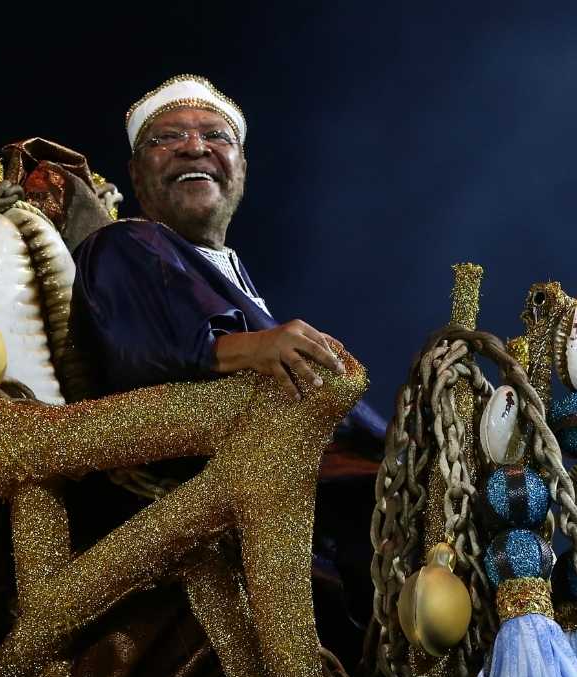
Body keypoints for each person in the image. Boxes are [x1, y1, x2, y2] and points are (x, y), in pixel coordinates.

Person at [72, 74, 385, 444]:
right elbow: (141, 355)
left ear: (242, 170)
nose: (194, 147)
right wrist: (256, 347)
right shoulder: (124, 243)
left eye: (216, 136)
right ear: (136, 174)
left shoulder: (226, 268)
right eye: (167, 137)